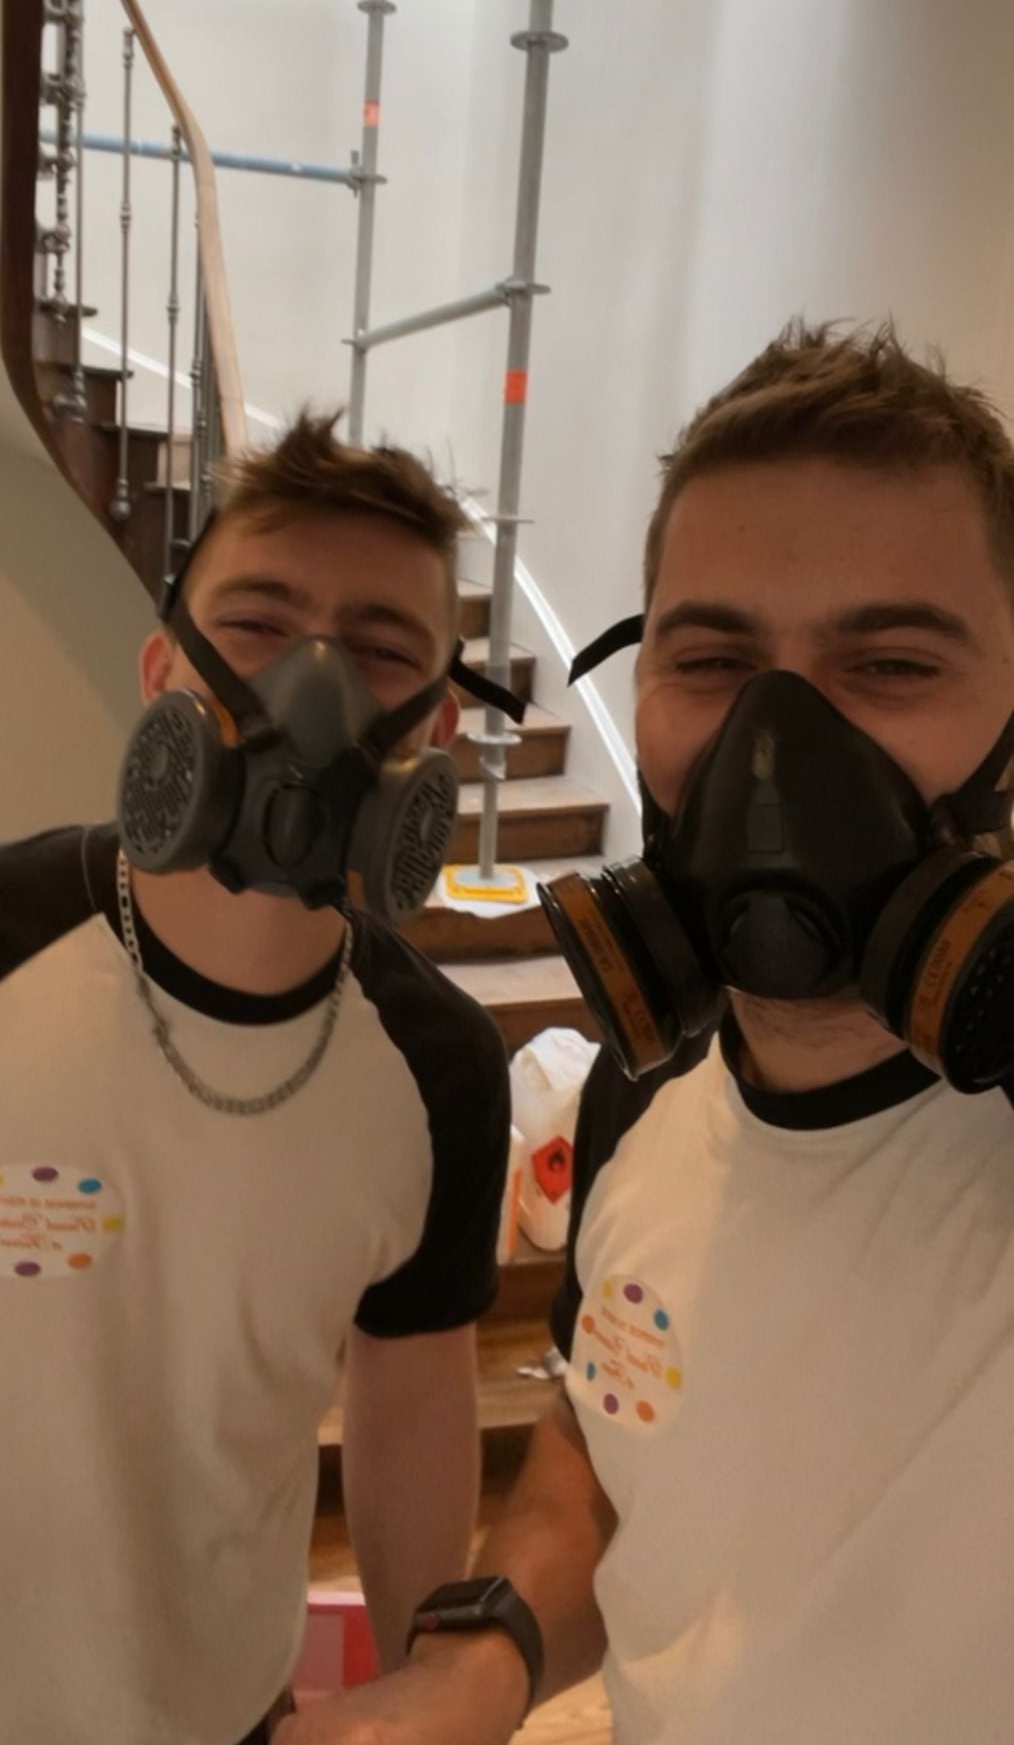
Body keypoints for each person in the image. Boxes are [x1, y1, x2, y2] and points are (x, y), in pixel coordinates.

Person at [275, 321, 1014, 1745]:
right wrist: (479, 1667)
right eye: (714, 658)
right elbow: (602, 1441)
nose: (775, 743)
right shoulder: (637, 1095)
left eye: (890, 665)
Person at [0, 412, 511, 1745]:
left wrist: (425, 1692)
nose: (314, 686)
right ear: (164, 665)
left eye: (380, 648)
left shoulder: (440, 1068)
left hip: (214, 1711)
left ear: (437, 723)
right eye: (259, 623)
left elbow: (409, 1413)